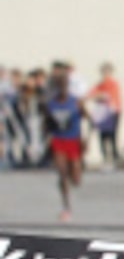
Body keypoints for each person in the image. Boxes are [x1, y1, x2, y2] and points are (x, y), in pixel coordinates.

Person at [44, 62, 86, 221]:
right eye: (59, 84)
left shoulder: (76, 102)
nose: (62, 87)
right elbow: (46, 123)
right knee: (61, 174)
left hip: (73, 140)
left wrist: (85, 138)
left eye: (64, 84)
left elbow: (87, 119)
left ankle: (73, 175)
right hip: (58, 140)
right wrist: (46, 139)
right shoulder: (51, 104)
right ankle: (66, 207)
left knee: (76, 179)